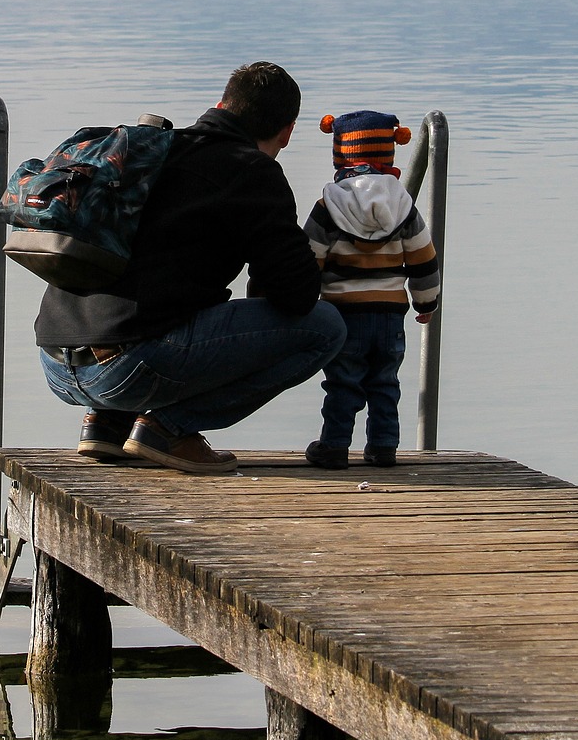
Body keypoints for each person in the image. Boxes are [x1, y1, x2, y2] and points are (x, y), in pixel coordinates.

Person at [36, 62, 347, 474]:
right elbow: (298, 296)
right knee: (325, 327)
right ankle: (168, 428)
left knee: (156, 306)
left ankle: (106, 425)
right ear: (287, 132)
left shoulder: (153, 150)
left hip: (55, 362)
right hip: (129, 369)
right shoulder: (253, 172)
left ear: (220, 104)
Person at [300, 110, 439, 470]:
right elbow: (424, 259)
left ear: (340, 153)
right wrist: (427, 302)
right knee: (385, 382)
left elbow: (308, 259)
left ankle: (334, 446)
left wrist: (304, 302)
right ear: (389, 152)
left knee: (343, 382)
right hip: (390, 313)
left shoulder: (328, 206)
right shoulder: (403, 206)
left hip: (343, 314)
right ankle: (382, 447)